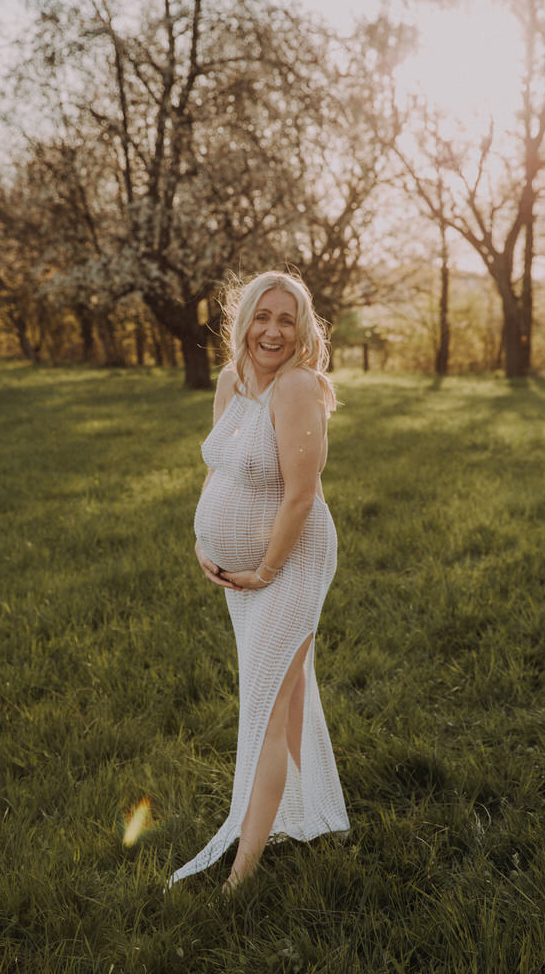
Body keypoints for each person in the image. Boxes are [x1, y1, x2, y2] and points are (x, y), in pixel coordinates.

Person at [167, 271, 349, 894]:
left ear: (303, 329)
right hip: (239, 574)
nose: (273, 330)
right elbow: (220, 467)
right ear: (242, 321)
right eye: (262, 316)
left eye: (287, 319)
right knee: (288, 696)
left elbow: (300, 497)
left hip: (289, 563)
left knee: (267, 706)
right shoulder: (231, 381)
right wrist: (202, 541)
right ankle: (309, 815)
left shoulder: (297, 387)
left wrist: (264, 571)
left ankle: (240, 874)